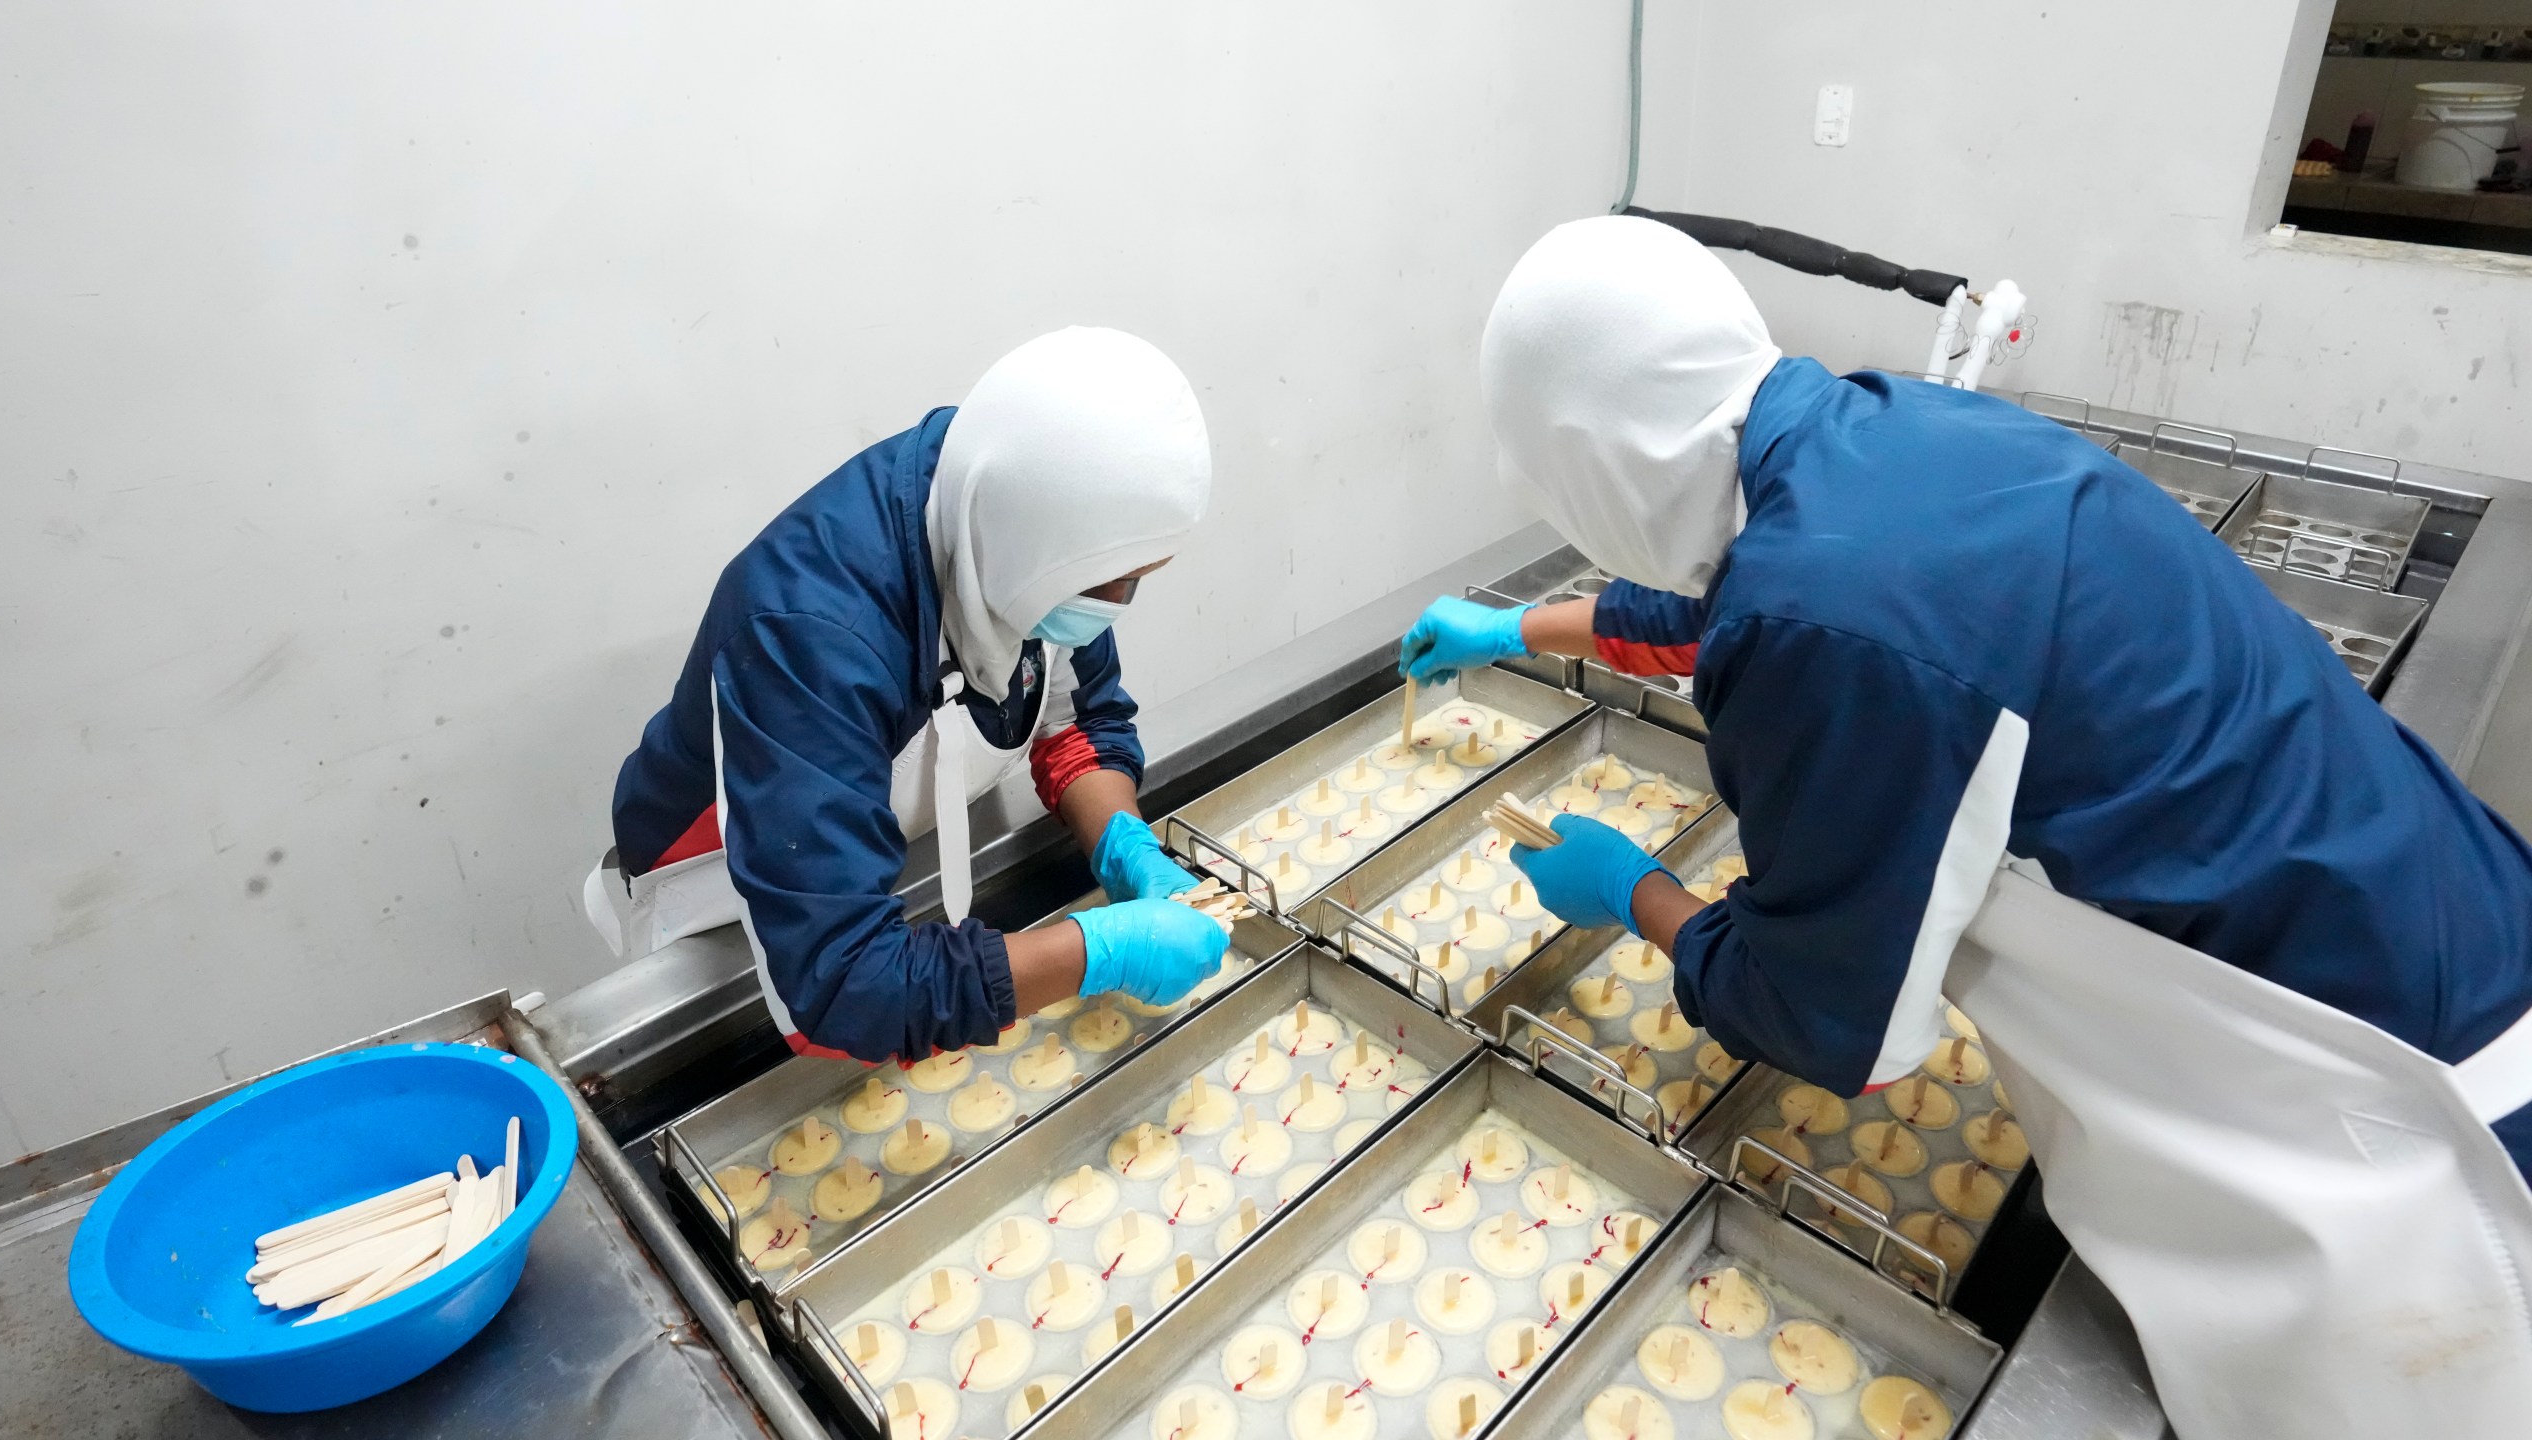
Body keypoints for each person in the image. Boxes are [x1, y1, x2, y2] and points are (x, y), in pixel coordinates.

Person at [1402, 216, 2532, 1436]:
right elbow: (1751, 596)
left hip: (2394, 1128)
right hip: (2453, 918)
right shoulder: (1892, 433)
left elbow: (1835, 1020)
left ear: (1591, 461)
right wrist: (1515, 630)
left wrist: (1632, 894)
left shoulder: (1821, 618)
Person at [583, 327, 1226, 1063]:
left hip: (882, 870)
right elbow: (837, 989)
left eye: (1136, 578)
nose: (1117, 604)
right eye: (1104, 583)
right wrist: (1097, 954)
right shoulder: (809, 631)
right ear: (1034, 543)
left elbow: (1074, 716)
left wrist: (1124, 844)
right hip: (720, 911)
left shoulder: (1022, 527)